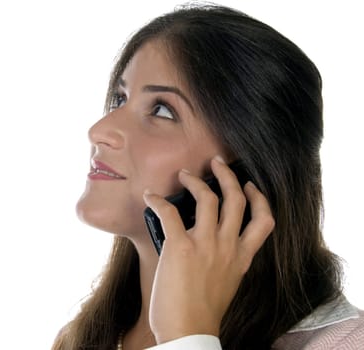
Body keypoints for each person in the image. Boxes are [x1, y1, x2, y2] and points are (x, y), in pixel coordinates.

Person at [52, 3, 364, 350]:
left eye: (161, 110)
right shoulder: (78, 339)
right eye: (119, 98)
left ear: (246, 172)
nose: (101, 130)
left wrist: (188, 336)